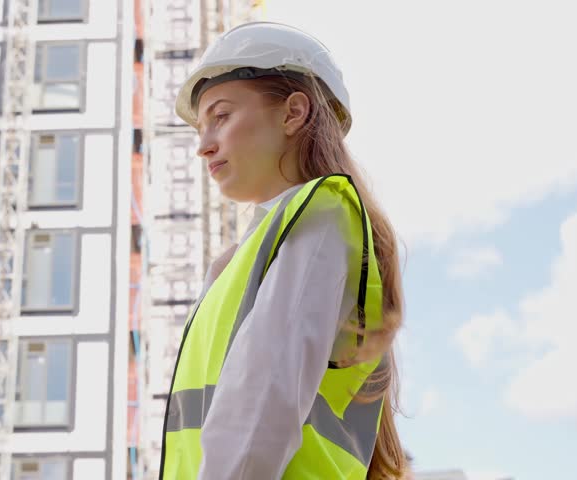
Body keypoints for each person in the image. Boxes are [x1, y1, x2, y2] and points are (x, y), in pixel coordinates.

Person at [158, 22, 407, 479]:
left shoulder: (323, 214)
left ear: (293, 113)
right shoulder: (237, 261)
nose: (203, 144)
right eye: (201, 125)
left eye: (222, 115)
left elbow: (260, 404)